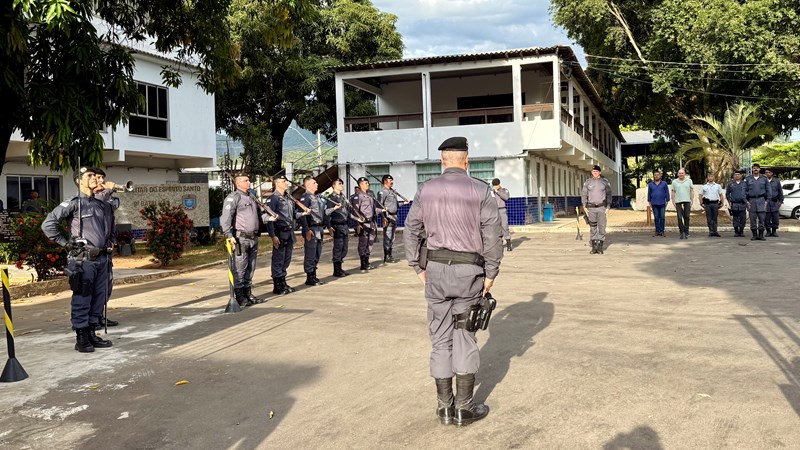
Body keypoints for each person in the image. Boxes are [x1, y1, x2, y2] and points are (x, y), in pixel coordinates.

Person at [404, 136, 503, 427]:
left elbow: (410, 230)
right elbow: (492, 237)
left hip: (435, 272)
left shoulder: (426, 189)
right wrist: (491, 273)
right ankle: (465, 407)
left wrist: (416, 267)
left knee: (440, 338)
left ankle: (444, 408)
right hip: (469, 274)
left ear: (442, 161)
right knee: (465, 335)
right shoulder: (481, 190)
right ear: (466, 161)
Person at [41, 167, 113, 352]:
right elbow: (48, 224)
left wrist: (105, 191)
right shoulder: (73, 203)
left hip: (102, 258)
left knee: (99, 298)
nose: (94, 179)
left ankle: (91, 332)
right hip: (83, 259)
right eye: (89, 176)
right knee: (83, 297)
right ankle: (81, 337)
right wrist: (65, 244)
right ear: (78, 181)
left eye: (96, 176)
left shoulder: (101, 203)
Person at [221, 174, 276, 306]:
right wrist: (229, 235)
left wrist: (269, 218)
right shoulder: (234, 197)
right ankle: (240, 296)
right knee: (240, 267)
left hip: (253, 237)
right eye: (246, 180)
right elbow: (226, 218)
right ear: (238, 183)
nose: (249, 182)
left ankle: (248, 293)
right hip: (241, 238)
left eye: (248, 180)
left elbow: (257, 216)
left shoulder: (252, 197)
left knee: (250, 268)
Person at [91, 168, 121, 327]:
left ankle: (99, 315)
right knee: (94, 285)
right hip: (93, 250)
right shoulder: (93, 199)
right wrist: (108, 190)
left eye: (103, 178)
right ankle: (93, 318)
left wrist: (113, 241)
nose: (101, 181)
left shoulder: (106, 198)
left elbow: (111, 221)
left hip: (106, 248)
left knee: (106, 285)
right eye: (97, 178)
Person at [266, 175, 300, 294]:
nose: (286, 183)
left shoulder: (288, 198)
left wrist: (303, 213)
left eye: (286, 181)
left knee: (287, 259)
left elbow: (293, 215)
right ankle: (277, 285)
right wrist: (272, 235)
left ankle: (283, 281)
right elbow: (269, 218)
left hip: (289, 232)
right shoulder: (273, 199)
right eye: (283, 181)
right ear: (277, 183)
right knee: (278, 259)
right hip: (279, 232)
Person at [298, 175, 326, 286]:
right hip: (312, 228)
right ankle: (310, 276)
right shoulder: (306, 197)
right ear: (308, 185)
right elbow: (302, 215)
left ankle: (314, 274)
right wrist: (306, 229)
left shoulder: (316, 197)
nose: (317, 184)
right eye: (314, 183)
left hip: (319, 228)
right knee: (310, 253)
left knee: (317, 252)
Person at [351, 177, 383, 272]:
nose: (368, 184)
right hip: (363, 224)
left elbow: (373, 209)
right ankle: (363, 264)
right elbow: (354, 211)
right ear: (361, 185)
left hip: (371, 222)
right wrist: (357, 223)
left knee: (370, 243)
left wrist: (382, 210)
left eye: (368, 183)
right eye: (366, 183)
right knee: (363, 244)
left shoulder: (370, 196)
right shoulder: (358, 196)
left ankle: (367, 261)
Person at [325, 178, 355, 277]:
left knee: (344, 248)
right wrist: (329, 226)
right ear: (334, 185)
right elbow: (327, 212)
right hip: (337, 225)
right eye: (339, 183)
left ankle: (340, 267)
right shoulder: (331, 198)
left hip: (345, 225)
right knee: (338, 248)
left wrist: (356, 219)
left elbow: (347, 212)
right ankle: (336, 270)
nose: (341, 185)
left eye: (342, 183)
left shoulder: (343, 198)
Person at [581, 165, 613, 254]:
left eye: (596, 171)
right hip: (591, 208)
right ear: (592, 172)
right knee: (593, 227)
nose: (595, 173)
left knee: (602, 227)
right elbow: (584, 194)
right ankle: (594, 248)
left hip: (602, 207)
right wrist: (584, 206)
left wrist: (608, 206)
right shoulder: (588, 182)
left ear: (600, 172)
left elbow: (609, 194)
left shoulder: (605, 182)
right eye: (593, 171)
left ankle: (600, 247)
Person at [377, 174, 401, 263]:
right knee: (387, 237)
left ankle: (390, 255)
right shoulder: (382, 192)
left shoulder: (392, 192)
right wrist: (383, 217)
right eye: (390, 180)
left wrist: (405, 203)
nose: (392, 182)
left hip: (394, 217)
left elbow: (396, 205)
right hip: (388, 217)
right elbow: (379, 206)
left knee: (392, 237)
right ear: (385, 181)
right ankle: (386, 256)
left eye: (392, 180)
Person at [745, 163, 769, 241]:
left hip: (761, 200)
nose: (755, 169)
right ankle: (754, 235)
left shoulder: (764, 179)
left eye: (757, 168)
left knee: (762, 219)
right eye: (754, 168)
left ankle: (761, 235)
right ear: (752, 169)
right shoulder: (748, 179)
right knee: (752, 219)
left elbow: (769, 190)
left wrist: (767, 201)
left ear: (759, 169)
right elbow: (744, 190)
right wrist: (746, 201)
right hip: (751, 201)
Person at [670, 168, 693, 239]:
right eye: (679, 173)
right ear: (678, 174)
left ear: (684, 174)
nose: (681, 174)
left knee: (686, 216)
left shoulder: (689, 181)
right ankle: (681, 231)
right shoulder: (674, 182)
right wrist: (673, 201)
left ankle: (686, 231)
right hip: (678, 201)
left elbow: (691, 191)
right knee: (679, 217)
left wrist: (692, 200)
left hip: (687, 200)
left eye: (682, 173)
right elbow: (673, 192)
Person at [646, 170, 670, 237]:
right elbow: (649, 194)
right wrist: (649, 202)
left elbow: (667, 192)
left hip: (662, 203)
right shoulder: (650, 184)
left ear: (660, 176)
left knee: (662, 217)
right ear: (653, 176)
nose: (656, 176)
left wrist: (667, 200)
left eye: (657, 175)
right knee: (656, 217)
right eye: (655, 175)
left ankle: (662, 231)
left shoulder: (664, 184)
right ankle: (657, 231)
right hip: (654, 203)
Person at [491, 179, 513, 251]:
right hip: (494, 210)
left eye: (496, 185)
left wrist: (497, 192)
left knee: (504, 226)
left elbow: (506, 198)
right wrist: (493, 192)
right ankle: (499, 243)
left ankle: (508, 243)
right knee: (495, 227)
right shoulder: (491, 191)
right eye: (494, 186)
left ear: (499, 184)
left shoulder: (504, 190)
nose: (495, 187)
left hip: (502, 210)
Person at [725, 170, 748, 237]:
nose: (737, 176)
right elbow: (727, 193)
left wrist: (746, 200)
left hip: (742, 203)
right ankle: (736, 231)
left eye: (738, 174)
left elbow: (748, 192)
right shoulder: (730, 184)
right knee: (735, 218)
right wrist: (729, 201)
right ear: (734, 176)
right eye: (735, 175)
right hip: (734, 204)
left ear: (741, 176)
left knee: (743, 218)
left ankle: (741, 231)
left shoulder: (744, 184)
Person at [764, 168, 784, 237]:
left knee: (775, 218)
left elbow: (780, 191)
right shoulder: (763, 181)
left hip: (775, 202)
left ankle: (774, 231)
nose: (767, 174)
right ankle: (768, 231)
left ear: (772, 173)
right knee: (767, 218)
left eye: (769, 172)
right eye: (766, 172)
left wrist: (781, 200)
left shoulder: (776, 181)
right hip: (766, 202)